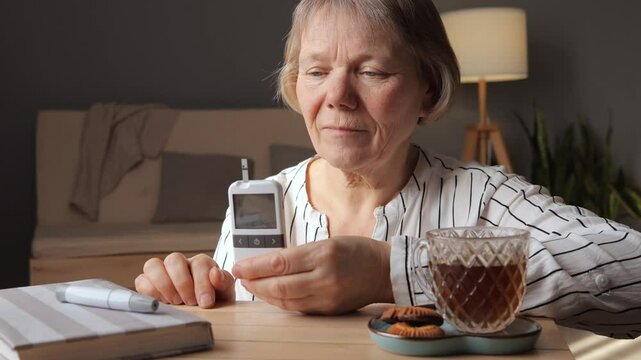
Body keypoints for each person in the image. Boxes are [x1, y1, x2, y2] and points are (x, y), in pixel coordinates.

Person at [135, 0, 641, 338]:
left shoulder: (486, 198)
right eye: (316, 72)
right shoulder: (264, 201)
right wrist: (194, 297)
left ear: (427, 88)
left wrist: (391, 273)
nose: (337, 98)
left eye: (371, 71)